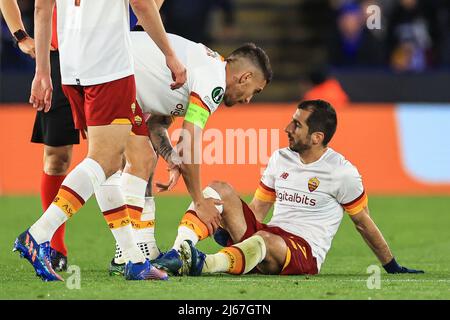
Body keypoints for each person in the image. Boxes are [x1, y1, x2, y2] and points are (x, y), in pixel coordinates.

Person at [13, 0, 186, 282]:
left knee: (110, 164)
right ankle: (36, 235)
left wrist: (42, 72)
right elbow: (142, 4)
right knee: (104, 160)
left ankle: (132, 259)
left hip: (71, 69)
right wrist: (170, 55)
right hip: (109, 67)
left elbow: (42, 9)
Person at [156, 99, 424, 277]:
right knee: (219, 189)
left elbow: (364, 224)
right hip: (268, 235)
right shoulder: (280, 157)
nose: (287, 128)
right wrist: (232, 226)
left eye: (297, 125)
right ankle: (178, 252)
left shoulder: (342, 173)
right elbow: (259, 208)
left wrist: (391, 266)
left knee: (263, 241)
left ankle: (205, 265)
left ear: (317, 137)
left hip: (302, 253)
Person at [107, 27, 273, 275]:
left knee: (144, 157)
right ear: (245, 77)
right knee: (134, 160)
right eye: (255, 91)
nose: (249, 99)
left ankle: (144, 249)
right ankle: (126, 255)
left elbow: (157, 124)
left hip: (111, 69)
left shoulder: (205, 66)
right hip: (108, 70)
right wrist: (199, 200)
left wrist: (170, 156)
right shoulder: (214, 80)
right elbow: (189, 142)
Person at [0, 0, 79, 271]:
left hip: (106, 60)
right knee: (57, 157)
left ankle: (128, 247)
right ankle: (55, 246)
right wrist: (21, 36)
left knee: (118, 153)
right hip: (56, 61)